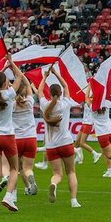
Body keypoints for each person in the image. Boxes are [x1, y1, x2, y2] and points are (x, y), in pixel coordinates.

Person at [0, 59, 26, 214]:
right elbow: (20, 77)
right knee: (15, 168)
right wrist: (11, 63)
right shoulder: (9, 94)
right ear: (4, 83)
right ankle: (8, 196)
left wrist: (2, 67)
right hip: (7, 136)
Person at [39, 66, 81, 208]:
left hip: (51, 146)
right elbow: (66, 85)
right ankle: (74, 200)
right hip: (66, 143)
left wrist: (45, 77)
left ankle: (53, 184)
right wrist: (56, 73)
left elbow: (39, 91)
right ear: (60, 93)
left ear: (49, 94)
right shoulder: (65, 104)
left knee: (57, 174)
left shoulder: (45, 105)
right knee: (71, 172)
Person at [12, 79, 40, 196]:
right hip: (31, 138)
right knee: (28, 168)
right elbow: (28, 85)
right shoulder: (29, 102)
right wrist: (22, 76)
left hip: (17, 139)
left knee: (16, 169)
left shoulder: (11, 104)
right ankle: (30, 182)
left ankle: (18, 192)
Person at [75, 101, 101, 165]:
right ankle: (79, 157)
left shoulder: (93, 101)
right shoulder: (86, 102)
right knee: (77, 141)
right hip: (84, 122)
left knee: (82, 143)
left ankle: (95, 154)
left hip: (88, 123)